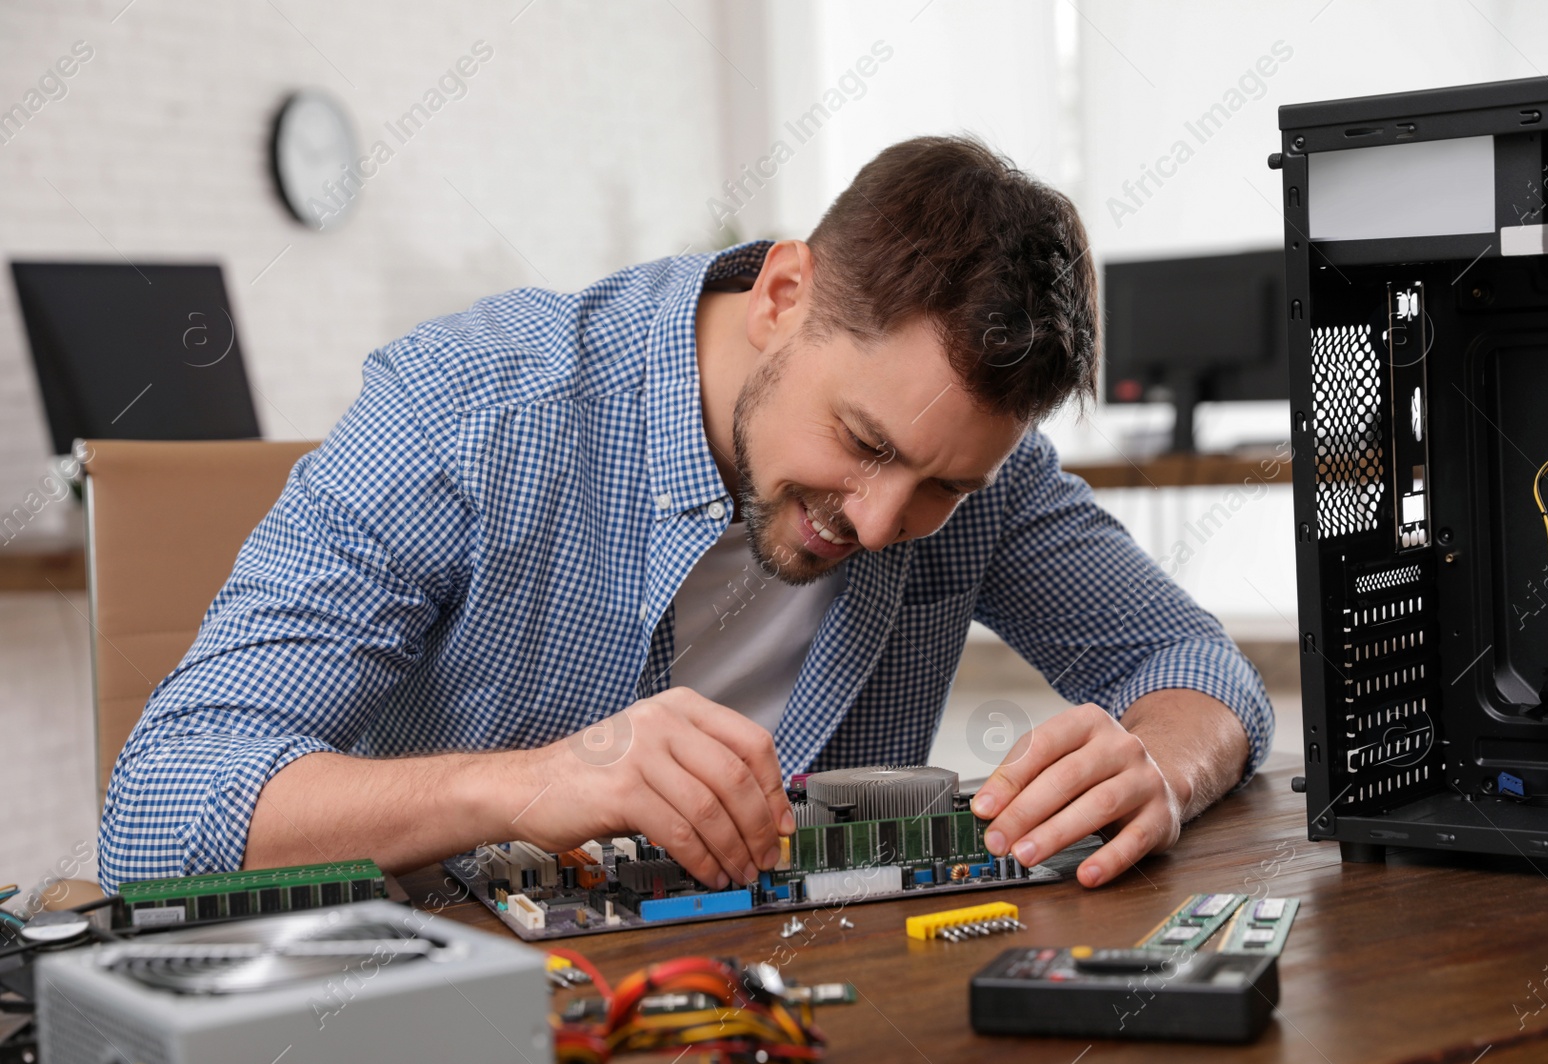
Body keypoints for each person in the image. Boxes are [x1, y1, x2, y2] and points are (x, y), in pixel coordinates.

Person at [97, 135, 1272, 894]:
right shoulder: (467, 410)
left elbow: (1189, 665)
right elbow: (156, 810)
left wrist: (1159, 769)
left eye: (939, 487)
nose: (875, 518)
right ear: (783, 292)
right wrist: (524, 785)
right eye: (862, 444)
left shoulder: (979, 479)